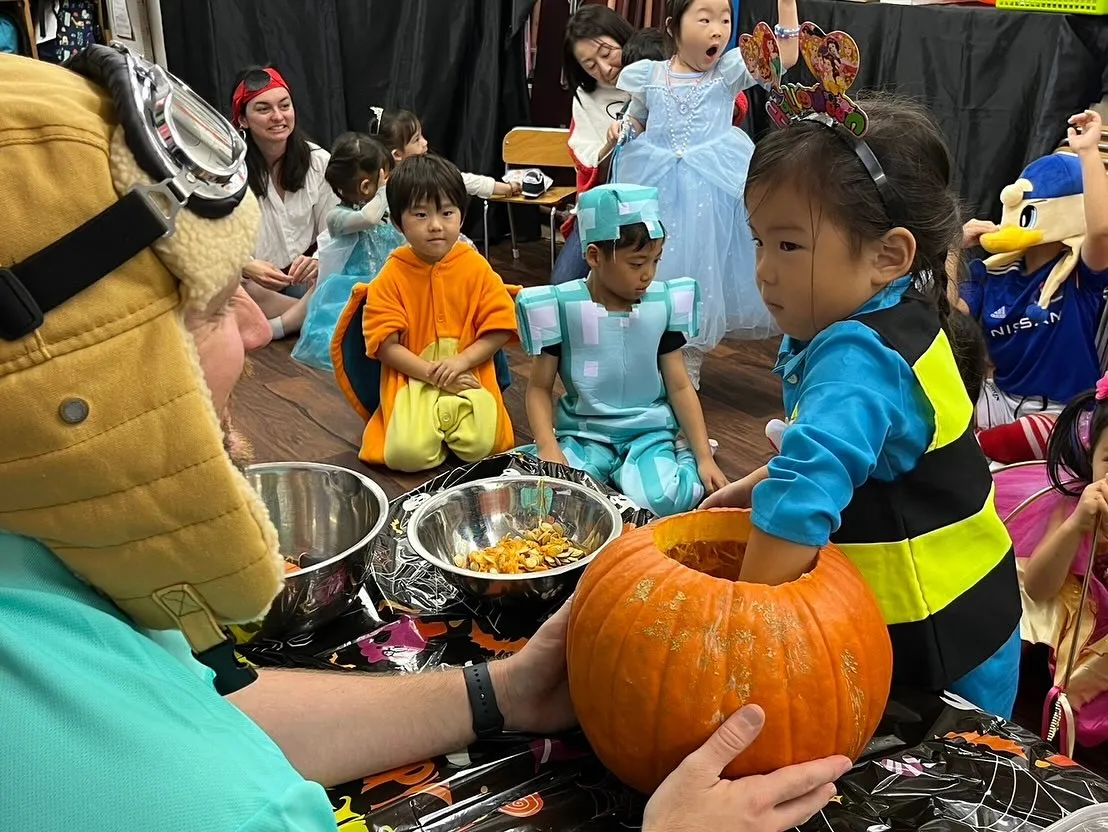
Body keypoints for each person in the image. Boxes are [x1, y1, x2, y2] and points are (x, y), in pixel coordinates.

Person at [0, 48, 853, 832]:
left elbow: (207, 707)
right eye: (216, 306)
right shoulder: (209, 807)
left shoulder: (40, 564)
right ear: (86, 378)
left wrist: (501, 693)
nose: (260, 333)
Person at [704, 95, 1023, 718]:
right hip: (974, 609)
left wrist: (731, 634)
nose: (764, 272)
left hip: (936, 648)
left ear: (887, 255)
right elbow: (846, 452)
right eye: (759, 242)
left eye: (790, 247)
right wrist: (751, 485)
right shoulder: (894, 307)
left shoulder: (859, 359)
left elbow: (800, 505)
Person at [612, 0, 799, 389]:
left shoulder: (728, 71)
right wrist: (624, 128)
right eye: (705, 19)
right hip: (657, 181)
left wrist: (786, 5)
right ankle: (649, 357)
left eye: (725, 20)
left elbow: (785, 57)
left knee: (700, 273)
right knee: (654, 268)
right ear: (673, 27)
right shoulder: (651, 75)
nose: (718, 29)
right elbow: (637, 115)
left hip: (710, 186)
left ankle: (688, 364)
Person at [517, 184, 728, 516]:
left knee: (666, 500)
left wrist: (701, 456)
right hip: (584, 434)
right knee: (546, 503)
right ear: (594, 256)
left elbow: (679, 385)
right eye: (637, 262)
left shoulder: (662, 305)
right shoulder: (561, 306)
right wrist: (547, 446)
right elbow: (539, 388)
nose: (648, 274)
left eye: (655, 261)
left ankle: (680, 450)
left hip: (648, 432)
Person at [332, 154, 517, 473]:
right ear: (397, 221)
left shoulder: (474, 265)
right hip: (413, 375)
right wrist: (432, 374)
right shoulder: (392, 274)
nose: (435, 225)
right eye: (420, 214)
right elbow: (386, 346)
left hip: (467, 370)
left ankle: (449, 431)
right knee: (407, 455)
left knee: (483, 446)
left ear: (461, 215)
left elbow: (500, 326)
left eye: (447, 213)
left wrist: (461, 361)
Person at [957, 110, 1108, 430]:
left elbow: (1102, 231)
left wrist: (1088, 152)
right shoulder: (989, 272)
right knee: (940, 415)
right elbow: (949, 318)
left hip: (1064, 411)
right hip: (999, 400)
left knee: (1047, 433)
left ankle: (995, 444)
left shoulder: (1080, 273)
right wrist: (951, 248)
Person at [232, 65, 338, 337]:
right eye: (263, 109)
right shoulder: (227, 170)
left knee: (347, 272)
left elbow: (335, 232)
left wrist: (318, 259)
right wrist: (245, 264)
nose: (278, 116)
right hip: (255, 287)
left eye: (285, 105)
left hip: (306, 282)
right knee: (226, 286)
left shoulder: (318, 161)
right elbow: (210, 239)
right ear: (242, 120)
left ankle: (284, 325)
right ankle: (320, 318)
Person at [291, 132, 406, 373]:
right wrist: (384, 192)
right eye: (384, 176)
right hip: (354, 289)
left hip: (390, 283)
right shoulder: (337, 217)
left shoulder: (383, 208)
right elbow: (368, 218)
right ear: (367, 186)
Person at [369, 107, 522, 200]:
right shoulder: (379, 184)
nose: (425, 142)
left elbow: (466, 181)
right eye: (416, 140)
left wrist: (506, 188)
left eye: (422, 135)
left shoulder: (429, 170)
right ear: (397, 154)